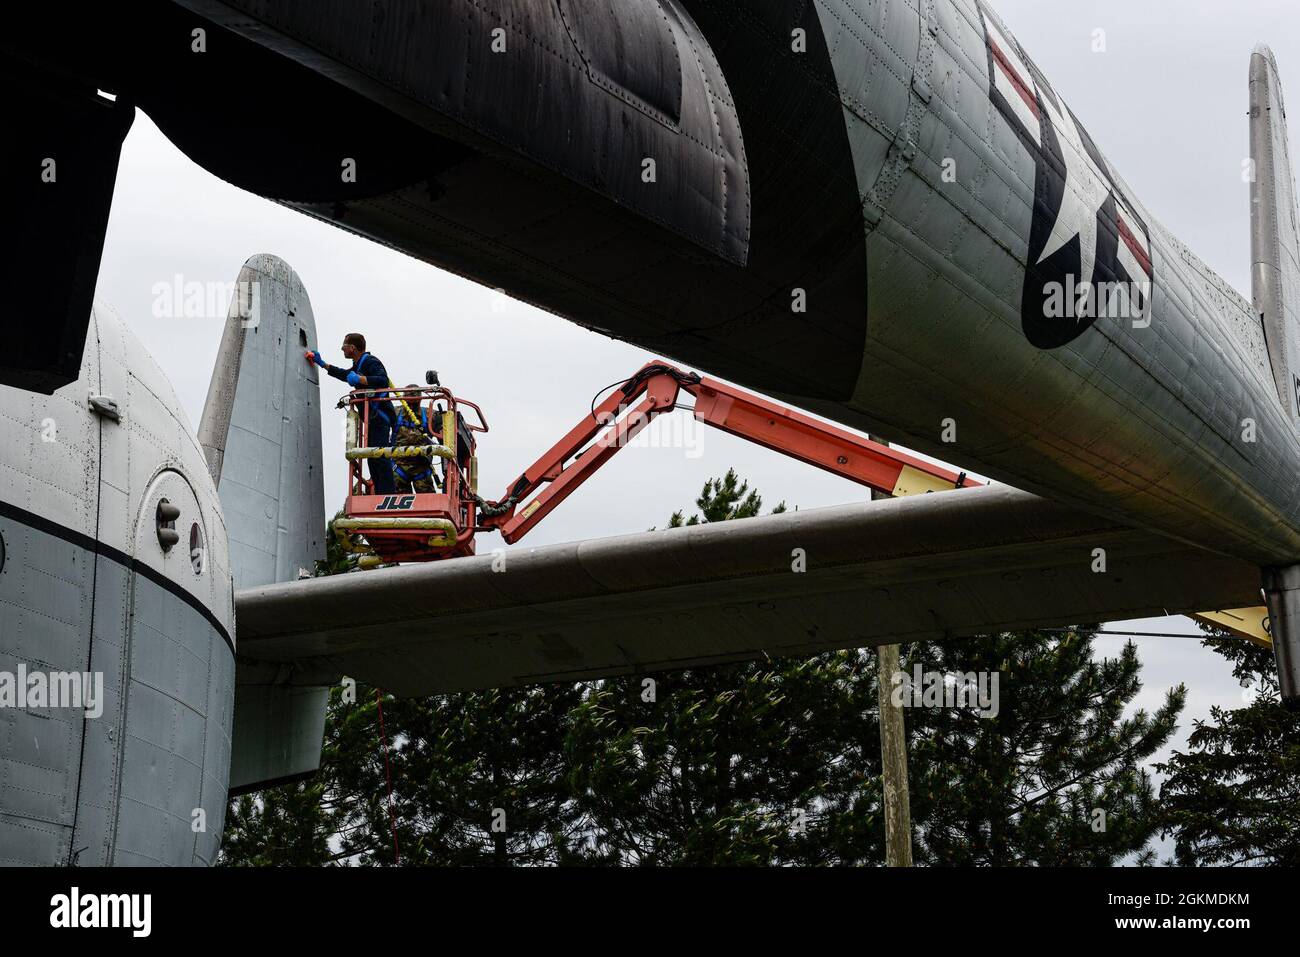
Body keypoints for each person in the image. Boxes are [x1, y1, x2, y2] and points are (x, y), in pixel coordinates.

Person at [305, 333, 396, 494]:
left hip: (380, 418)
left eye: (344, 347)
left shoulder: (371, 362)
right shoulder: (358, 364)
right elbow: (344, 374)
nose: (342, 350)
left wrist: (361, 380)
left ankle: (388, 495)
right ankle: (381, 494)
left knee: (380, 457)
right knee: (372, 458)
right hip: (371, 419)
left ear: (352, 348)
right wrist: (322, 364)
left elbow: (383, 380)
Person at [391, 385, 438, 495]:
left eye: (414, 400)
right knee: (398, 507)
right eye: (409, 400)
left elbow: (445, 431)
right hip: (398, 468)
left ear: (420, 399)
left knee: (428, 506)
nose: (411, 404)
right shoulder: (395, 412)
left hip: (422, 468)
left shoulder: (430, 415)